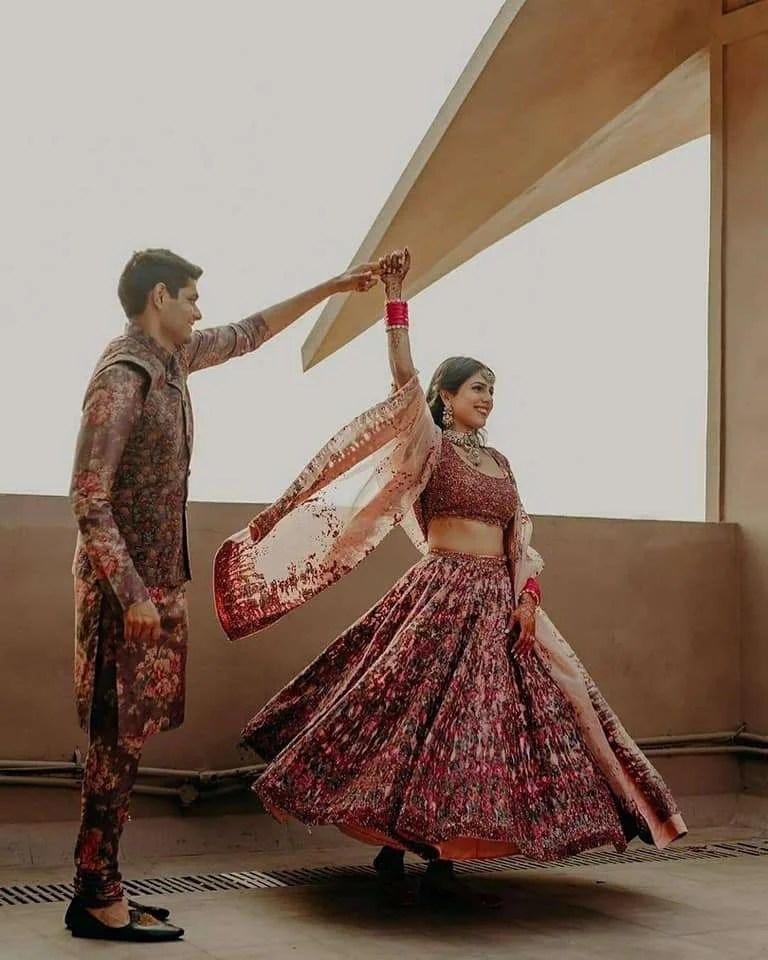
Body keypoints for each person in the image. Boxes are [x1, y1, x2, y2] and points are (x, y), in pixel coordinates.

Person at [214, 249, 687, 908]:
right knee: (405, 719)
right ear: (445, 396)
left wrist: (526, 597)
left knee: (481, 729)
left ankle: (443, 846)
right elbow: (402, 376)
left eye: (493, 390)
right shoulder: (427, 447)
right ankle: (402, 841)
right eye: (477, 388)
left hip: (499, 604)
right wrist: (395, 303)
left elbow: (520, 537)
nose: (488, 399)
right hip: (438, 598)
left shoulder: (498, 460)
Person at [67, 247, 380, 941]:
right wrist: (132, 595)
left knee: (128, 744)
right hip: (126, 601)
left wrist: (333, 282)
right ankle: (95, 893)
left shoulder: (172, 362)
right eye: (190, 298)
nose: (200, 311)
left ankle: (102, 882)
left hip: (155, 592)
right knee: (111, 744)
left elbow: (251, 332)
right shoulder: (124, 377)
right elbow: (89, 498)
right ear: (158, 299)